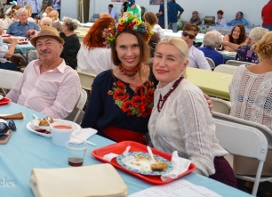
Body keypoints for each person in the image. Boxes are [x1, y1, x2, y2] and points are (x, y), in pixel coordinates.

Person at [149, 37, 236, 187]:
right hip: (173, 174)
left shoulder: (187, 95)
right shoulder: (163, 88)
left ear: (184, 65)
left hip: (207, 180)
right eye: (159, 56)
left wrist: (171, 185)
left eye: (170, 58)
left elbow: (202, 159)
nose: (161, 63)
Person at [81, 15, 155, 143]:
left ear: (142, 47)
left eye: (135, 46)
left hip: (141, 154)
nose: (129, 53)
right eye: (123, 47)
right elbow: (88, 123)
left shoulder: (156, 78)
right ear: (115, 49)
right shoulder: (103, 80)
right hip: (106, 145)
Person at [6, 26, 80, 119]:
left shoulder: (69, 76)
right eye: (39, 44)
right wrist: (4, 110)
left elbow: (59, 111)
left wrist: (32, 120)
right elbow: (15, 93)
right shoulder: (32, 65)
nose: (43, 48)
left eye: (48, 43)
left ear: (60, 46)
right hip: (16, 117)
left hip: (39, 125)